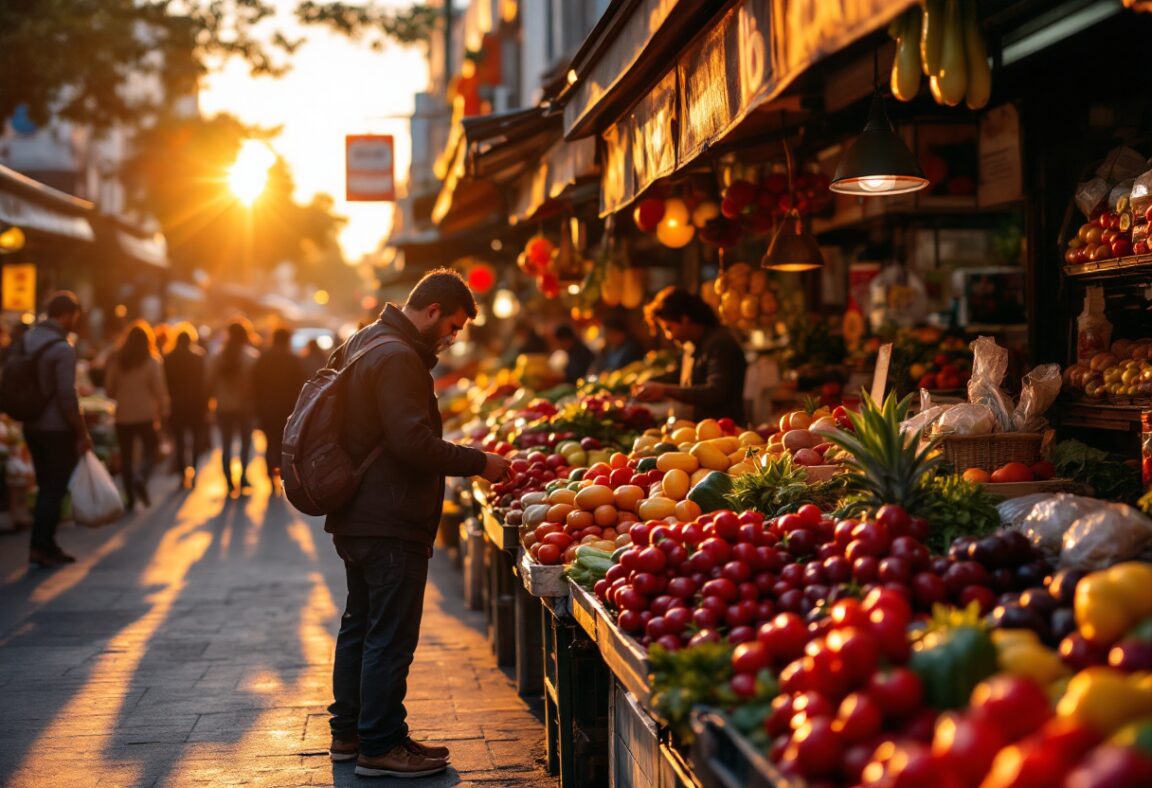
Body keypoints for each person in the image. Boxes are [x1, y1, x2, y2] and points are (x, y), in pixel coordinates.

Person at [324, 268, 510, 778]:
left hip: (358, 511)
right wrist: (479, 462)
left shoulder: (366, 339)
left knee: (360, 626)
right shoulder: (399, 357)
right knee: (389, 634)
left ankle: (351, 733)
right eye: (451, 326)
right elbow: (411, 442)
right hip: (389, 515)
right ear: (431, 311)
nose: (451, 338)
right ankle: (381, 746)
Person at [21, 291, 93, 567]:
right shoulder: (63, 348)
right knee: (54, 488)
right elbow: (67, 396)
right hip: (55, 429)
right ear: (65, 315)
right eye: (74, 315)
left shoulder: (28, 339)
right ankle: (42, 546)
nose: (75, 320)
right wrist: (81, 432)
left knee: (45, 487)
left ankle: (44, 544)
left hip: (31, 424)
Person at [633, 286, 748, 423]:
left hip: (723, 435)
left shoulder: (721, 343)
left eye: (669, 328)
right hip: (696, 432)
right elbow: (679, 375)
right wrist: (650, 383)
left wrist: (664, 390)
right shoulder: (690, 345)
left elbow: (715, 392)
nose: (669, 336)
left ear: (685, 319)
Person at [104, 321, 169, 511]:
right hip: (146, 414)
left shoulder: (117, 360)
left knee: (126, 456)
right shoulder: (151, 360)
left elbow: (109, 389)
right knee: (152, 448)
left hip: (123, 415)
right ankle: (142, 475)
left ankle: (130, 498)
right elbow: (160, 390)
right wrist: (164, 408)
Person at [208, 320, 259, 494]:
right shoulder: (251, 357)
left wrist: (208, 404)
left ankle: (229, 480)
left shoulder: (218, 356)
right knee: (246, 444)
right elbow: (255, 386)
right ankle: (243, 476)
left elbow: (209, 382)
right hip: (245, 407)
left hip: (223, 406)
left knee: (226, 444)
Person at [252, 327, 306, 483]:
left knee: (270, 442)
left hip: (266, 407)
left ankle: (270, 474)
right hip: (287, 409)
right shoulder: (293, 359)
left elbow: (256, 384)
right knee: (283, 443)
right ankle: (281, 473)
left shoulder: (263, 358)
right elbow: (300, 386)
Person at [163, 323, 209, 487]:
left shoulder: (168, 358)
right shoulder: (198, 358)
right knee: (196, 439)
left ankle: (183, 474)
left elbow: (165, 384)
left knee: (180, 441)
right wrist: (207, 406)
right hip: (196, 404)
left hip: (176, 404)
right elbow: (204, 384)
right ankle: (194, 470)